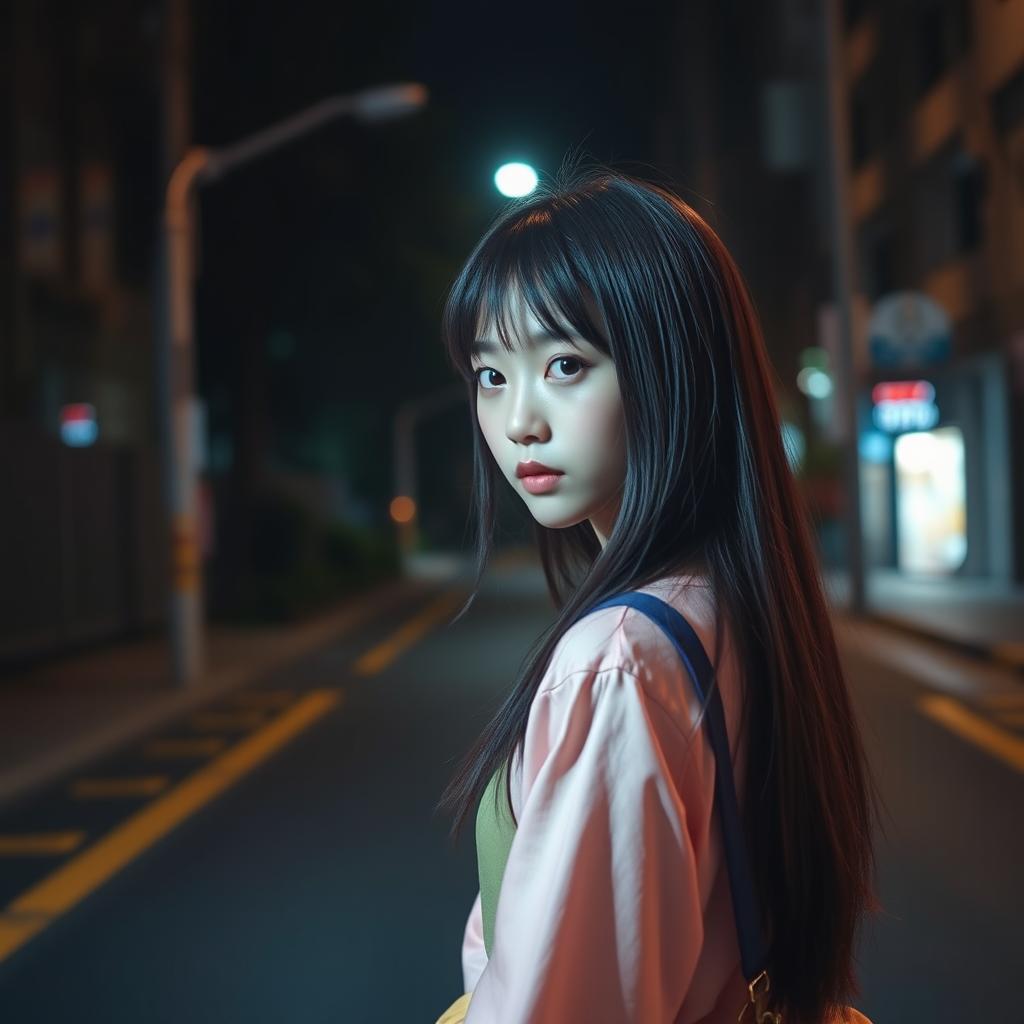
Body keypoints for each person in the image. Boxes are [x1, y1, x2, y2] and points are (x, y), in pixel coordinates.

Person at [432, 166, 884, 1023]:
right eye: (491, 375)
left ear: (672, 370)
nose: (519, 417)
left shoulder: (620, 660)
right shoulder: (736, 607)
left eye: (565, 364)